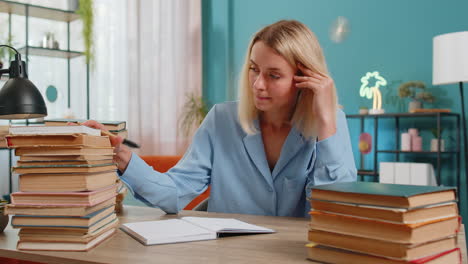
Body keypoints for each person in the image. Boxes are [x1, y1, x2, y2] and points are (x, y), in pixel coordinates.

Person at [84, 20, 356, 217]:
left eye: (273, 75)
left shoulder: (330, 123)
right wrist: (124, 157)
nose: (258, 84)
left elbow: (335, 213)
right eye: (253, 69)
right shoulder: (222, 120)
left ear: (304, 78)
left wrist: (325, 123)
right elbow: (176, 192)